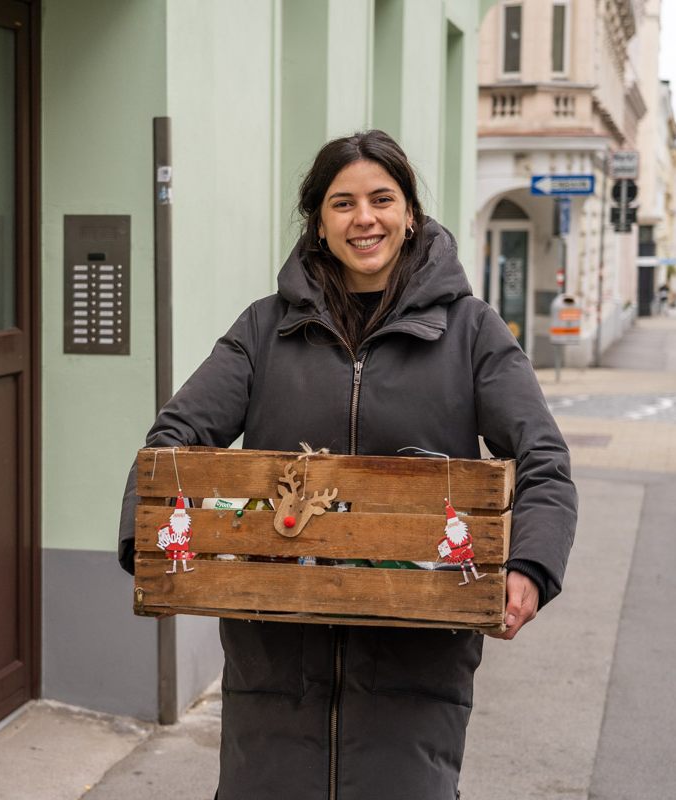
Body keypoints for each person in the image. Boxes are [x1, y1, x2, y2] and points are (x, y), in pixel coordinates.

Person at [117, 130, 577, 799]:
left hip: (416, 664)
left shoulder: (472, 333)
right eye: (343, 203)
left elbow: (542, 458)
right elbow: (173, 438)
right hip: (276, 664)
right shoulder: (264, 331)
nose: (365, 218)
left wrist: (531, 567)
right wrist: (149, 542)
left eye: (382, 199)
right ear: (319, 223)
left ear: (410, 214)